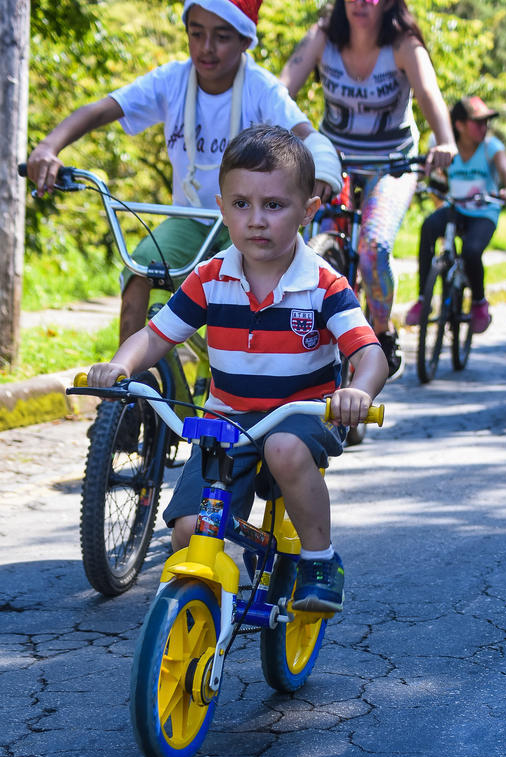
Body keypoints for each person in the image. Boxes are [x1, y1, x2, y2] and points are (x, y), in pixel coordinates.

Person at [86, 125, 389, 613]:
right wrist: (121, 365)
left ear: (308, 211)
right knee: (188, 531)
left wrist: (360, 391)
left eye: (274, 205)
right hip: (227, 422)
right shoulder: (209, 278)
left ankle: (318, 558)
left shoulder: (323, 285)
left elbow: (369, 354)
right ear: (222, 208)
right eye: (241, 204)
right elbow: (155, 336)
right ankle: (224, 594)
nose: (257, 220)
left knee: (285, 448)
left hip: (303, 417)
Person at [26, 0, 342, 344]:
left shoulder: (260, 88)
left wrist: (323, 170)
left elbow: (308, 135)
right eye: (196, 34)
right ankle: (126, 387)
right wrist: (47, 147)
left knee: (249, 282)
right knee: (140, 270)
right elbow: (101, 110)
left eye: (221, 36)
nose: (206, 47)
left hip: (244, 218)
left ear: (245, 41)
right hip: (189, 219)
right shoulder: (171, 80)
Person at [278, 0, 457, 378]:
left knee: (373, 247)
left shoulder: (404, 45)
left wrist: (445, 141)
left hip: (392, 164)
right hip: (332, 161)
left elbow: (429, 95)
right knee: (303, 241)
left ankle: (381, 330)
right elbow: (282, 90)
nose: (362, 2)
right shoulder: (323, 36)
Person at [406, 96, 506, 333]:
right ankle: (422, 299)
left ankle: (479, 302)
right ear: (459, 125)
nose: (484, 127)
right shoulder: (444, 145)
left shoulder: (491, 148)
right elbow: (424, 171)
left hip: (484, 212)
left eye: (486, 122)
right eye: (478, 122)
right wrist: (411, 183)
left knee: (471, 251)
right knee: (428, 228)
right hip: (455, 208)